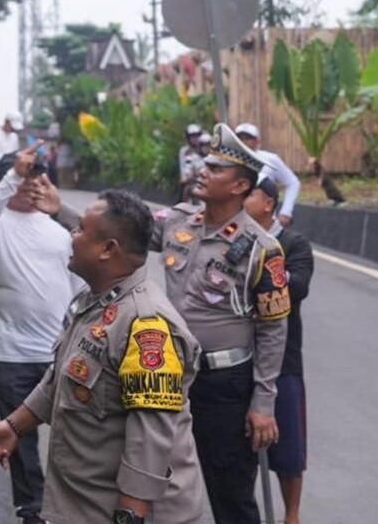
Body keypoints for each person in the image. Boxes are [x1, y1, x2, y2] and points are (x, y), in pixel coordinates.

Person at [29, 124, 290, 524]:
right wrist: (61, 209)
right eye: (206, 163)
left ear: (240, 186)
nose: (204, 169)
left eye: (217, 168)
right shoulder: (179, 221)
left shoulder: (262, 248)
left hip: (224, 385)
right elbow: (116, 234)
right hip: (165, 376)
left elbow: (273, 330)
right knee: (163, 479)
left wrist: (263, 403)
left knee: (231, 490)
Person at [0, 190, 206, 524]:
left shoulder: (146, 325)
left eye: (81, 229)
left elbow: (150, 439)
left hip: (124, 513)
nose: (72, 235)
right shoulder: (96, 302)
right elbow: (65, 376)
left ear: (108, 249)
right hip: (84, 507)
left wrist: (130, 518)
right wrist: (15, 426)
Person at [0, 146, 78, 524]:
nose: (32, 185)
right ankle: (31, 511)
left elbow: (82, 286)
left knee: (73, 439)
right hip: (12, 354)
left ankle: (69, 507)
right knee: (21, 442)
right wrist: (12, 176)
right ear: (9, 180)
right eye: (24, 177)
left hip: (60, 355)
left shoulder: (60, 232)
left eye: (37, 177)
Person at [245, 178, 315, 524]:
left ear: (268, 203)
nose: (243, 201)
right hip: (239, 360)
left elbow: (298, 286)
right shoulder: (235, 242)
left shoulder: (293, 243)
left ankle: (292, 515)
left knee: (287, 452)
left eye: (250, 195)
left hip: (283, 362)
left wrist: (268, 272)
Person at [236, 123, 301, 227]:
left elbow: (293, 183)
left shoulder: (270, 160)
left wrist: (286, 212)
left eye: (248, 138)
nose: (244, 142)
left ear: (257, 141)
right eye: (240, 138)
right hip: (235, 220)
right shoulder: (228, 161)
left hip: (265, 221)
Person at [179, 124, 203, 200]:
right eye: (192, 136)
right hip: (190, 181)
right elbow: (183, 167)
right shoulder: (184, 151)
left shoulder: (204, 149)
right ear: (188, 138)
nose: (195, 139)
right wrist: (186, 178)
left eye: (197, 136)